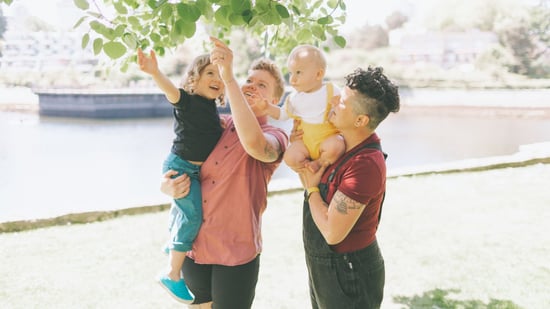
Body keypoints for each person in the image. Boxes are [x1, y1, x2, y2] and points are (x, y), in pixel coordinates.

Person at [159, 37, 288, 309]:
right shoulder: (217, 124)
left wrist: (230, 80)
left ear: (275, 100)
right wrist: (166, 185)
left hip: (236, 252)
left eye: (261, 84)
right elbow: (182, 155)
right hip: (196, 246)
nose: (251, 86)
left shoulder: (275, 136)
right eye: (249, 80)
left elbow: (254, 145)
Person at [299, 66, 400, 309]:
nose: (333, 100)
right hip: (326, 267)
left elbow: (333, 232)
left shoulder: (365, 165)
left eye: (342, 101)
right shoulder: (340, 147)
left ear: (360, 120)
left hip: (348, 271)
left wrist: (312, 190)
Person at [137, 48, 225, 304]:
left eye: (220, 75)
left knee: (183, 212)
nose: (216, 78)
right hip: (181, 167)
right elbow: (170, 91)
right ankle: (172, 274)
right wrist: (155, 72)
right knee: (192, 216)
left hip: (193, 170)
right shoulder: (187, 100)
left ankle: (173, 247)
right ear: (192, 80)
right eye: (210, 72)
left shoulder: (211, 108)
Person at [260, 44, 345, 174]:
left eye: (298, 73)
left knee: (337, 145)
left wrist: (338, 105)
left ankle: (320, 162)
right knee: (289, 157)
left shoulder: (331, 90)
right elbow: (282, 114)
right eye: (290, 73)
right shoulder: (294, 98)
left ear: (319, 74)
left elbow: (344, 109)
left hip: (327, 139)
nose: (292, 79)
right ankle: (306, 165)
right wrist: (267, 107)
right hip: (305, 143)